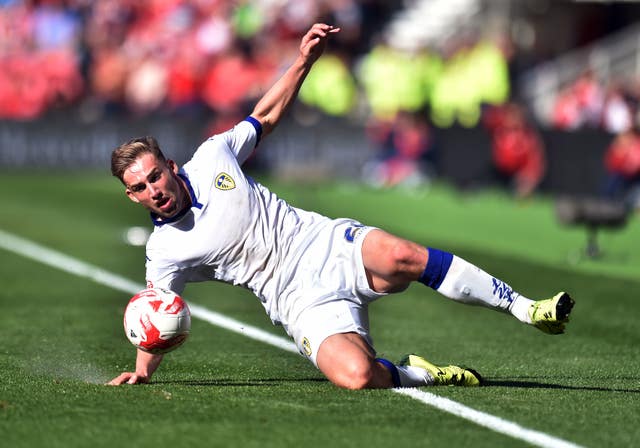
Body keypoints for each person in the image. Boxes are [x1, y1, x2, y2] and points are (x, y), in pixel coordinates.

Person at [108, 24, 574, 390]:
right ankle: (420, 374)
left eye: (155, 176)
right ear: (132, 197)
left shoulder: (212, 156)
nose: (153, 189)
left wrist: (303, 61)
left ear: (170, 166)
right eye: (141, 187)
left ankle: (527, 308)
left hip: (323, 242)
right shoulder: (164, 251)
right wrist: (144, 371)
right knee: (356, 377)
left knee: (402, 256)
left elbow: (265, 116)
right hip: (295, 300)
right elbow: (157, 312)